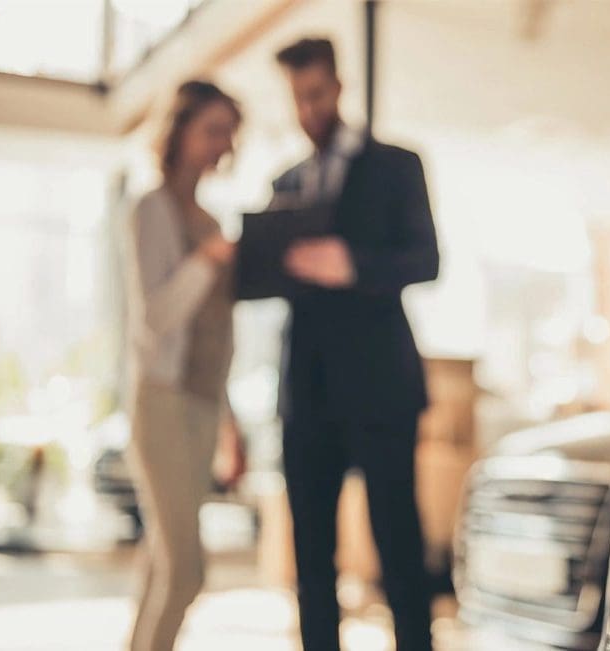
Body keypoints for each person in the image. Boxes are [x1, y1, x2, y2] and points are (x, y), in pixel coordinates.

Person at [269, 38, 439, 651]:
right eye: (297, 99)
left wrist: (352, 265)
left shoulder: (398, 164)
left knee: (398, 550)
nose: (308, 110)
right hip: (306, 397)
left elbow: (427, 259)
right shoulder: (284, 181)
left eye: (316, 94)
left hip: (381, 391)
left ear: (338, 88)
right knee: (312, 561)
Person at [123, 80, 244, 651]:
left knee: (161, 566)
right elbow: (157, 316)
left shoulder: (211, 220)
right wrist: (205, 260)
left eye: (228, 132)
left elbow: (215, 336)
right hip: (163, 403)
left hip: (201, 403)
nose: (222, 143)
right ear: (180, 132)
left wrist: (229, 421)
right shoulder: (152, 209)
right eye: (212, 130)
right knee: (187, 571)